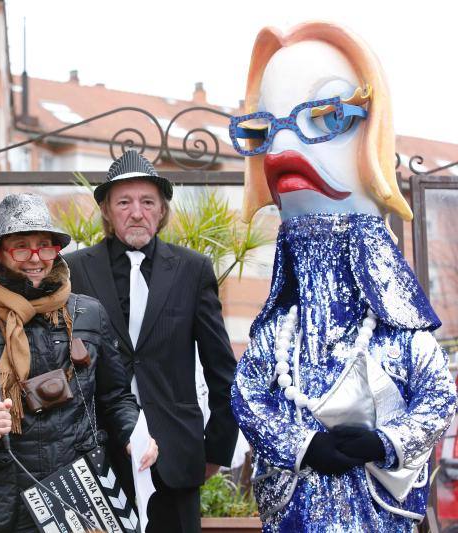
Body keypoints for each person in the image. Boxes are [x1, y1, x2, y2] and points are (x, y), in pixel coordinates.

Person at [230, 22, 456, 531]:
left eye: (328, 115)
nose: (284, 143)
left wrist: (385, 442)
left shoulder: (401, 339)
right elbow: (248, 394)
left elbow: (439, 398)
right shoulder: (279, 336)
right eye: (266, 129)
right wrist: (303, 446)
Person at [0, 193, 158, 532]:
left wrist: (133, 436)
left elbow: (115, 397)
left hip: (79, 497)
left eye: (45, 246)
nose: (35, 258)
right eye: (21, 246)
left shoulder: (88, 313)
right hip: (1, 506)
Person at [64, 150, 239, 533]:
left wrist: (215, 449)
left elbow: (221, 368)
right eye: (124, 202)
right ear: (107, 211)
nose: (137, 213)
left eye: (147, 202)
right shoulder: (75, 270)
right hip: (98, 452)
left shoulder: (193, 270)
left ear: (162, 211)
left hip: (175, 455)